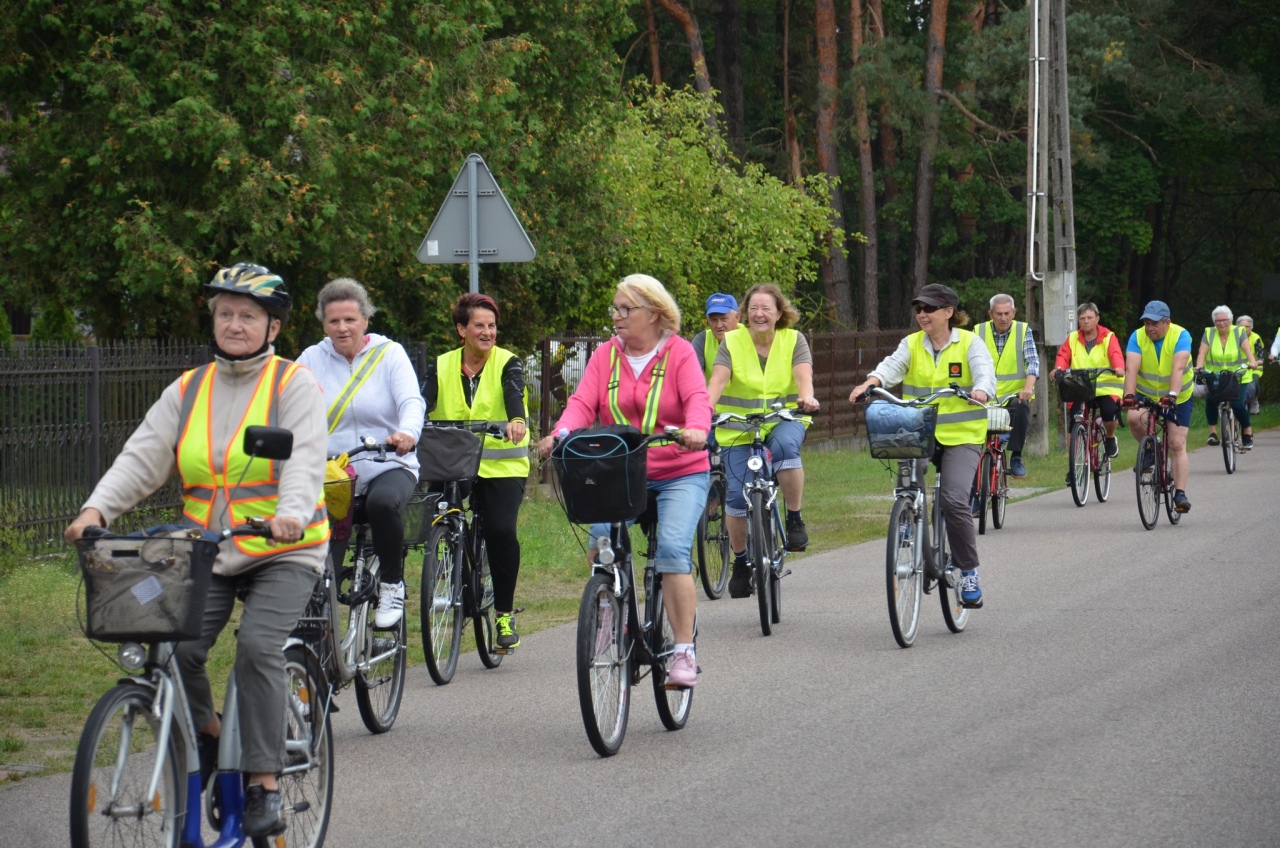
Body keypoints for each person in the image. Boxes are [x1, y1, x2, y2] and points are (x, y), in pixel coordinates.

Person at [64, 263, 328, 838]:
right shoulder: (187, 389)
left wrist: (289, 514)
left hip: (285, 547)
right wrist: (95, 510)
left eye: (248, 315)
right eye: (225, 313)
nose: (234, 324)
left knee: (258, 647)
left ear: (273, 326)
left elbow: (305, 457)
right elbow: (142, 456)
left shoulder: (293, 384)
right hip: (208, 548)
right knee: (175, 647)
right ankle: (210, 736)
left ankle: (263, 781)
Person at [537, 274, 709, 687]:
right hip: (622, 474)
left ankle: (683, 652)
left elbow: (697, 400)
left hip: (678, 471)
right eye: (614, 308)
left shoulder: (680, 353)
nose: (616, 316)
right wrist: (560, 434)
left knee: (670, 550)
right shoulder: (605, 356)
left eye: (624, 309)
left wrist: (696, 429)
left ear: (653, 313)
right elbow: (582, 403)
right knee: (602, 544)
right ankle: (609, 614)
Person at [849, 283, 995, 608]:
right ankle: (907, 516)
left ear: (949, 312)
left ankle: (968, 570)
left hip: (962, 437)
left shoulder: (970, 343)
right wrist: (872, 382)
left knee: (954, 501)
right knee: (904, 467)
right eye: (919, 309)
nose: (922, 314)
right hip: (919, 431)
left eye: (929, 308)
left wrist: (982, 390)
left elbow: (986, 373)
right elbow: (891, 366)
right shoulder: (911, 344)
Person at [297, 278, 425, 628]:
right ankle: (317, 625)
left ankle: (391, 584)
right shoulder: (311, 358)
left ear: (365, 320)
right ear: (324, 323)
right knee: (320, 560)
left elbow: (411, 402)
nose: (342, 328)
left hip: (387, 462)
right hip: (334, 472)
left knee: (382, 504)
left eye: (350, 320)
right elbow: (290, 407)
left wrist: (407, 433)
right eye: (333, 321)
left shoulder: (389, 354)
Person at [422, 293, 530, 649]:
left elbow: (514, 394)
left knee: (500, 530)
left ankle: (503, 614)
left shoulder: (508, 363)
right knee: (435, 512)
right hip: (453, 462)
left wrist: (516, 420)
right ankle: (445, 553)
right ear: (461, 330)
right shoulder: (440, 365)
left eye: (492, 326)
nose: (487, 332)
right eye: (479, 325)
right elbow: (421, 401)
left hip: (502, 465)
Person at [706, 284, 819, 598]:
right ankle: (742, 561)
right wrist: (704, 408)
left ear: (779, 313)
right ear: (745, 313)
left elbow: (803, 376)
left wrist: (806, 397)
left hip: (783, 421)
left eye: (766, 308)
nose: (759, 314)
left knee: (784, 450)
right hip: (738, 427)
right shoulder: (731, 342)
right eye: (754, 308)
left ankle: (794, 518)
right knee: (737, 500)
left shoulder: (794, 340)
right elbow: (718, 379)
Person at [1121, 300, 1194, 513]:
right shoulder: (1137, 336)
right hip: (1147, 393)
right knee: (1134, 418)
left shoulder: (1181, 335)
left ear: (1167, 322)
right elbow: (1131, 370)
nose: (1150, 328)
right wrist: (1129, 396)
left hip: (1177, 396)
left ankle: (1179, 494)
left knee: (1177, 443)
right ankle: (1151, 449)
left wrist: (1172, 395)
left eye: (1154, 324)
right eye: (1146, 323)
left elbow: (1179, 368)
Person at [973, 293, 1039, 478]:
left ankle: (1016, 455)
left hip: (1013, 394)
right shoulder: (977, 332)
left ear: (1014, 313)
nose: (1003, 318)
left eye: (1007, 313)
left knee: (1021, 408)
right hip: (985, 395)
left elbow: (1032, 362)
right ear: (990, 314)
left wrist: (1028, 387)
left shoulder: (1022, 331)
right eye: (998, 314)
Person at [1049, 302, 1126, 459]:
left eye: (1090, 317)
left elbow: (1115, 354)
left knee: (1109, 412)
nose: (1086, 321)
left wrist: (1118, 367)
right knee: (1074, 421)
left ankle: (1110, 438)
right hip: (1081, 389)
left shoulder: (1108, 337)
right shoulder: (1072, 338)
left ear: (1097, 319)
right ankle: (1073, 466)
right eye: (1082, 318)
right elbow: (1063, 356)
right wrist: (1058, 370)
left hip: (1105, 389)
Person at [1194, 305, 1259, 448]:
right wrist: (1199, 368)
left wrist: (1252, 362)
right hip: (1216, 376)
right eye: (1218, 321)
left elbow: (1247, 349)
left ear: (1230, 320)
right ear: (1214, 322)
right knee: (1211, 401)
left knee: (1237, 404)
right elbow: (1202, 353)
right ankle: (1212, 433)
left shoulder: (1238, 332)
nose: (1221, 323)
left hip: (1238, 375)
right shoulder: (1209, 333)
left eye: (1224, 320)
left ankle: (1247, 430)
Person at [692, 293, 741, 383]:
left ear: (737, 317)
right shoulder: (702, 340)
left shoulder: (750, 337)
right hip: (713, 396)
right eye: (713, 320)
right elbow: (691, 375)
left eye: (723, 319)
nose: (718, 325)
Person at [1236, 316, 1264, 415]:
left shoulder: (1256, 338)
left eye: (1247, 326)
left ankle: (1254, 402)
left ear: (1251, 327)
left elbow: (1261, 357)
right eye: (1241, 326)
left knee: (1254, 383)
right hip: (1238, 367)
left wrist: (1256, 363)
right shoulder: (1232, 337)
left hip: (1254, 368)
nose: (1244, 329)